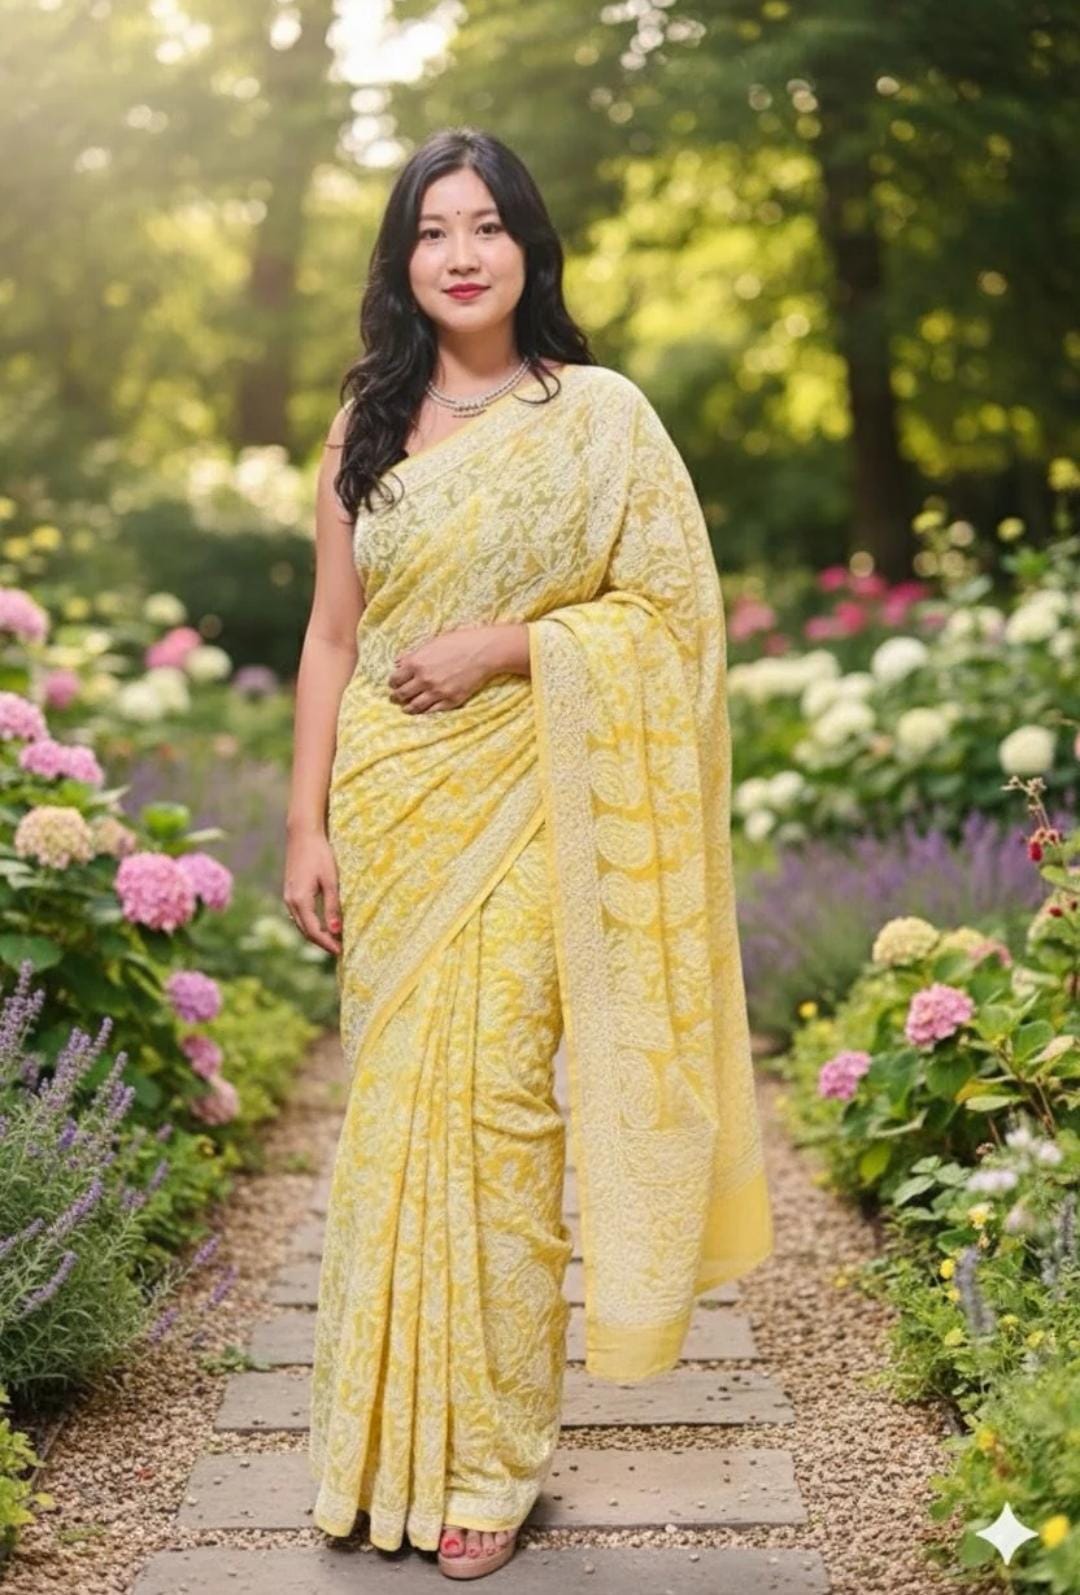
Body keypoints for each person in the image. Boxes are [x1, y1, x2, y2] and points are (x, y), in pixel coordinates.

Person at [283, 125, 773, 1582]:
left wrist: (518, 646)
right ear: (403, 256)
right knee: (390, 1132)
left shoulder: (603, 415)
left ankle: (490, 1459)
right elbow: (329, 636)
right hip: (390, 805)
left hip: (530, 802)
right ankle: (381, 1452)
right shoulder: (366, 417)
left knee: (499, 1117)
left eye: (485, 224)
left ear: (527, 245)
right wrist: (304, 821)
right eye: (432, 228)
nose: (459, 251)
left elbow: (674, 625)